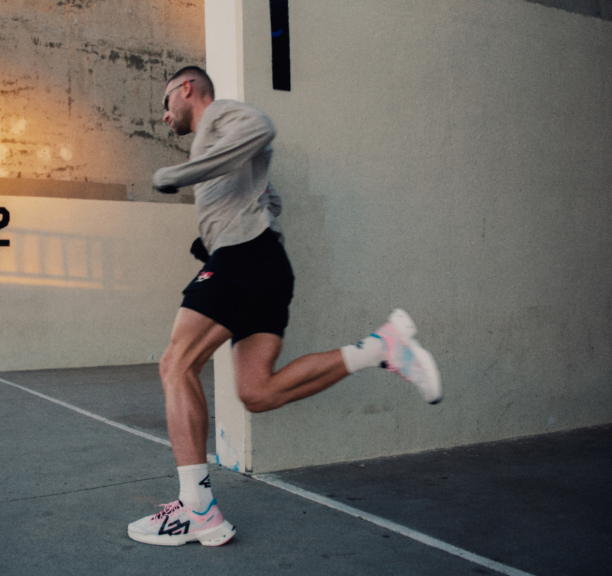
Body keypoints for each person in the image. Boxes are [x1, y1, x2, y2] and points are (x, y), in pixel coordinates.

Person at [126, 66, 442, 547]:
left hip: (244, 260)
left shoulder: (219, 115)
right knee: (257, 392)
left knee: (176, 364)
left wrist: (181, 175)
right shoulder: (217, 139)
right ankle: (381, 348)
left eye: (166, 102)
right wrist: (240, 217)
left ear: (186, 88)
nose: (165, 115)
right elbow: (268, 196)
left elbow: (261, 127)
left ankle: (198, 508)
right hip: (263, 264)